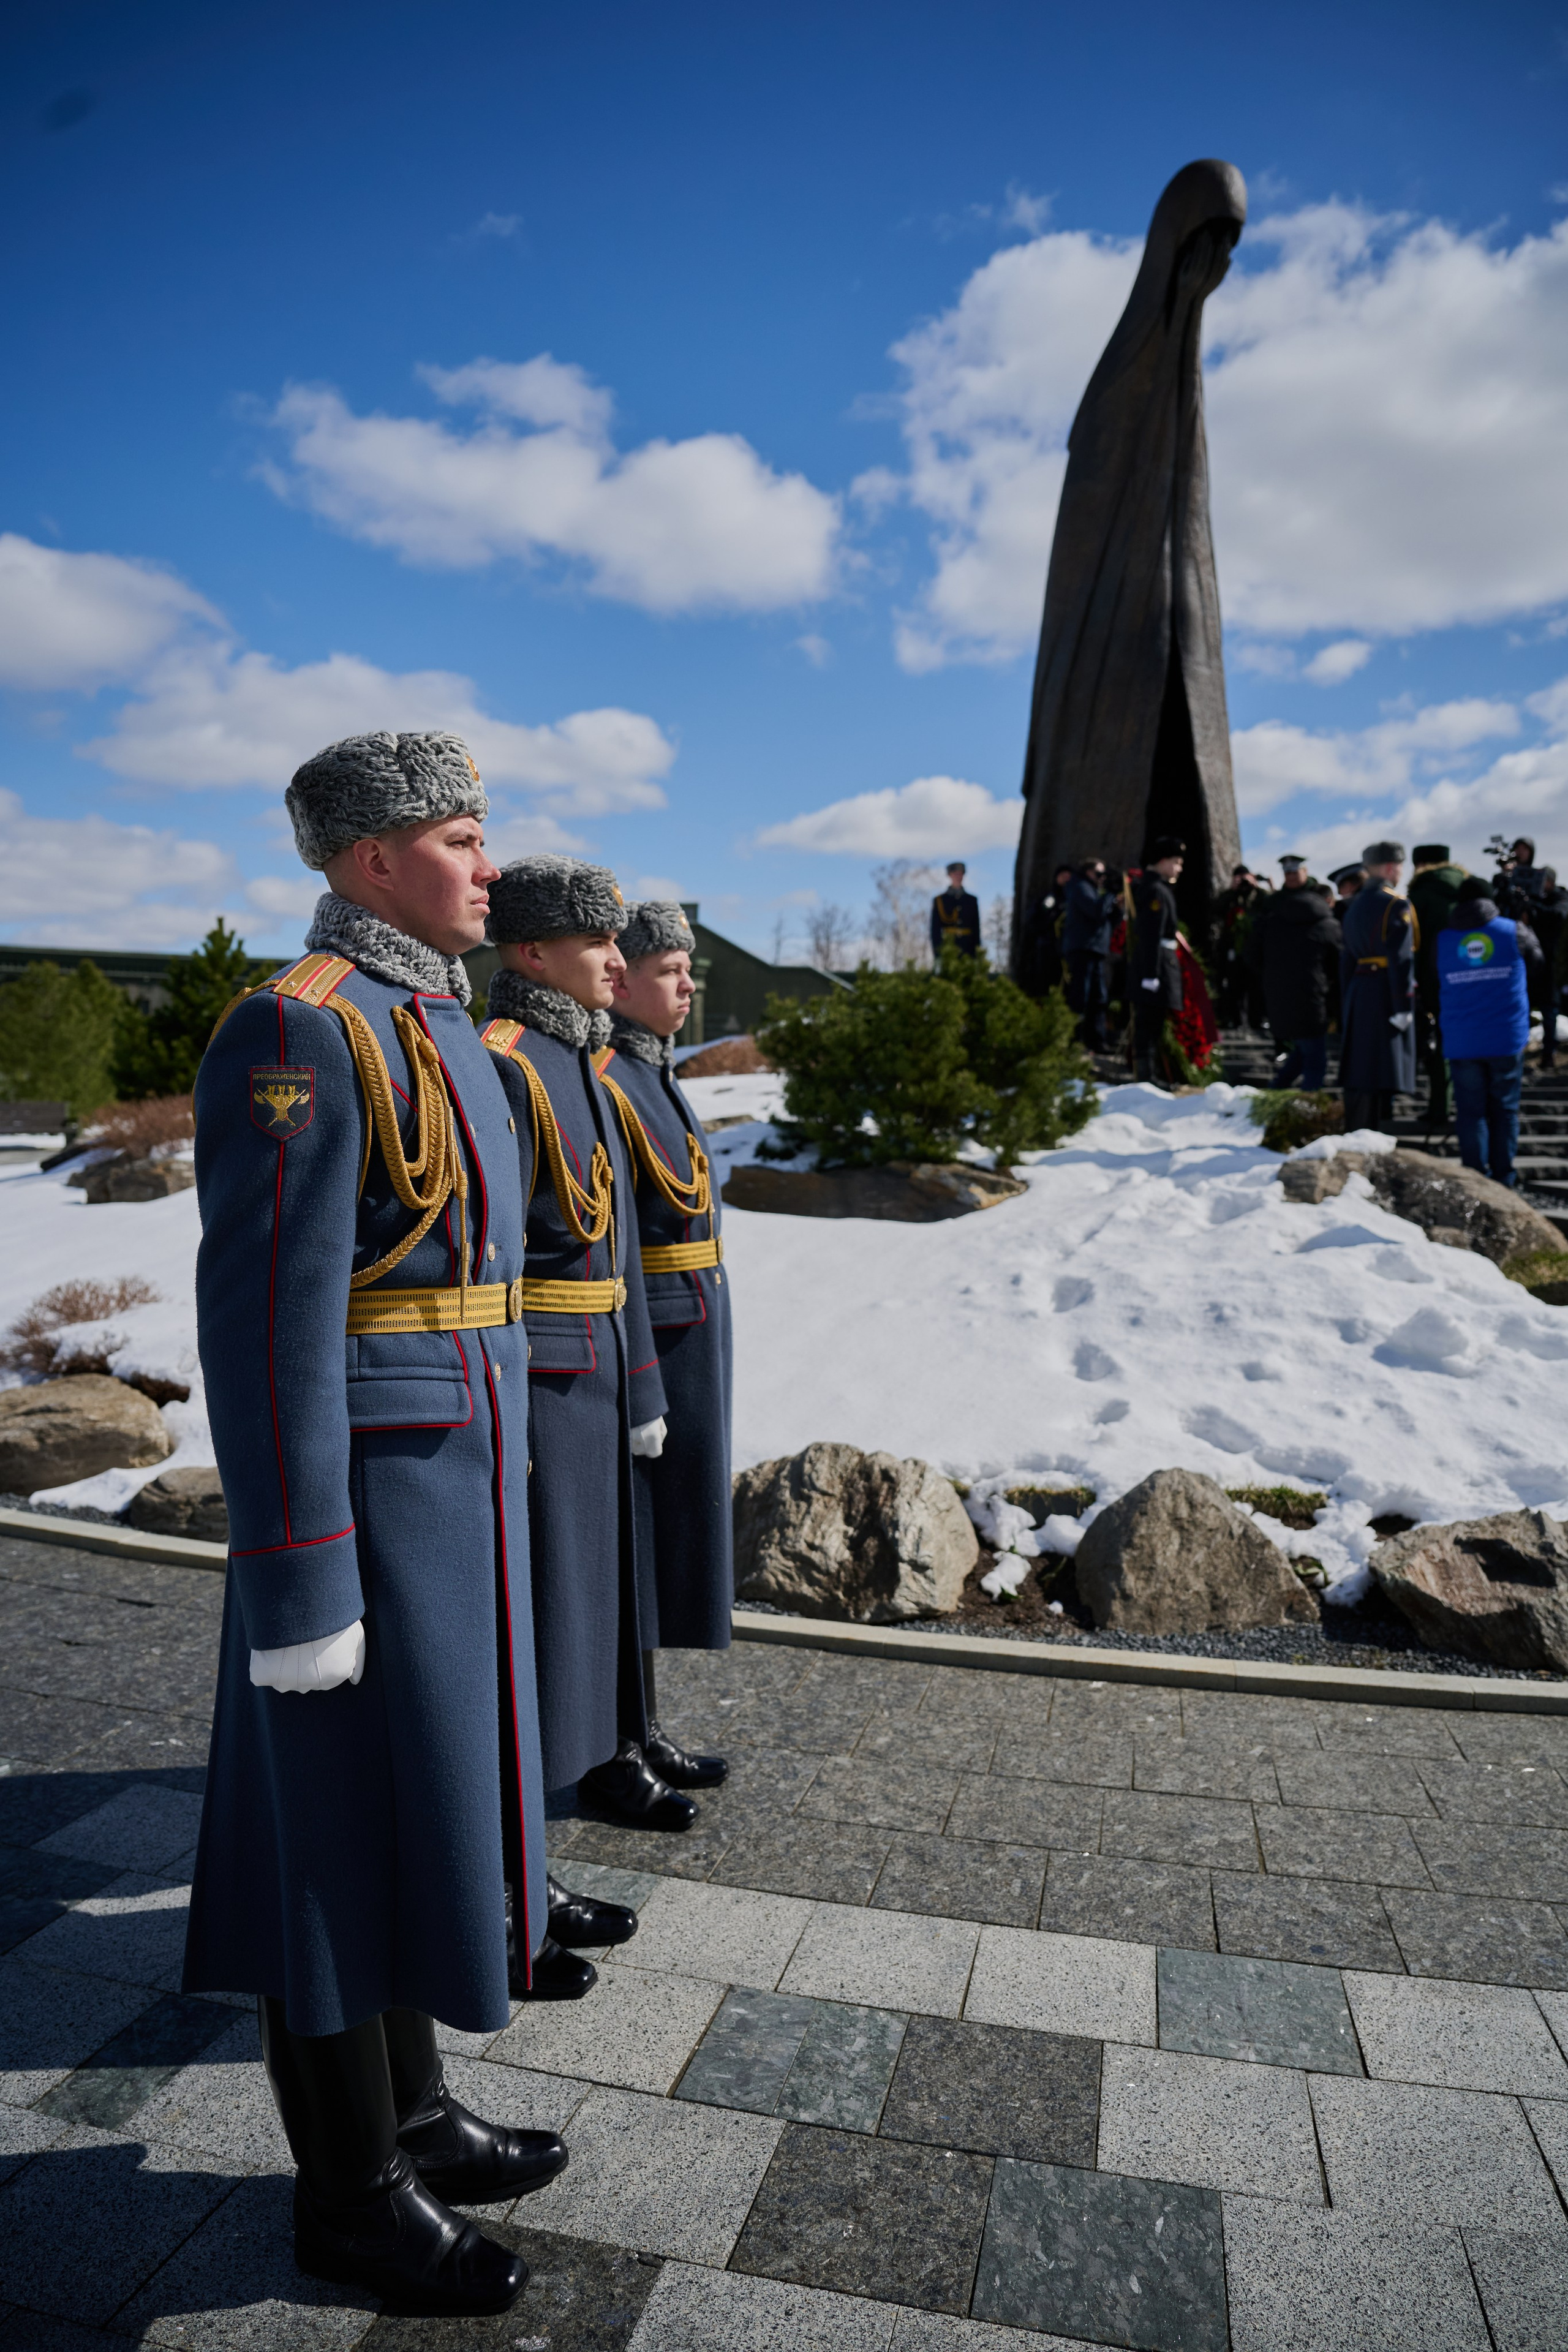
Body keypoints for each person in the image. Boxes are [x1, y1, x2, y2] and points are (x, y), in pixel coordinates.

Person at [183, 732, 567, 2317]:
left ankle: (408, 2113)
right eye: (466, 839)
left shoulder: (442, 1028)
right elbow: (268, 1321)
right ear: (371, 860)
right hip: (355, 1511)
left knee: (421, 1811)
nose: (491, 867)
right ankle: (348, 2196)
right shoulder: (300, 1027)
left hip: (450, 1488)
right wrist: (295, 1578)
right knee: (332, 1847)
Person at [479, 858, 698, 1875]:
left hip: (603, 1362)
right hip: (545, 1379)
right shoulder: (512, 1061)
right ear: (532, 955)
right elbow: (497, 1267)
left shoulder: (579, 1058)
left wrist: (642, 1382)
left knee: (598, 1598)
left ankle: (602, 1756)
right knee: (547, 1617)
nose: (620, 958)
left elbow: (617, 1252)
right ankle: (529, 1839)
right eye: (596, 944)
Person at [600, 902, 733, 1789]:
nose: (689, 986)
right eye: (672, 970)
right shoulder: (607, 1075)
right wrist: (643, 1375)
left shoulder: (654, 1068)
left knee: (662, 1551)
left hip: (690, 1331)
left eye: (691, 970)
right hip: (650, 1336)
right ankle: (616, 1744)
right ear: (625, 976)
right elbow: (609, 1243)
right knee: (631, 1552)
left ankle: (643, 1729)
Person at [1436, 884, 1542, 1187]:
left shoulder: (1443, 939)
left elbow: (1432, 980)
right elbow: (1538, 965)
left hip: (1462, 1039)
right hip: (1505, 1036)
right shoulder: (1514, 931)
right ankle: (1504, 1178)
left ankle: (1474, 1178)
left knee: (1470, 1112)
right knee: (1505, 1110)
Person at [1339, 840, 1417, 1133]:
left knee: (1362, 1070)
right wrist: (1403, 1004)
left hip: (1359, 990)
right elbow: (1401, 959)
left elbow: (1346, 959)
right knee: (1382, 1071)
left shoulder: (1353, 906)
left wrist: (1347, 1001)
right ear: (1390, 867)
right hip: (1386, 991)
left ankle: (1360, 1129)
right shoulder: (1395, 904)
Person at [1243, 855, 1341, 1090]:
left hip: (1283, 993)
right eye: (1287, 873)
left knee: (1303, 1050)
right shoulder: (1324, 920)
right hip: (1313, 993)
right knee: (1313, 1056)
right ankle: (1308, 1105)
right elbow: (1337, 962)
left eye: (1295, 871)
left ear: (1305, 872)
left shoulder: (1275, 912)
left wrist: (1272, 977)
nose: (1291, 876)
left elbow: (1252, 952)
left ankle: (1277, 1089)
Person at [1407, 844, 1472, 1131]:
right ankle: (1470, 1108)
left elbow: (1412, 947)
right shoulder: (1469, 890)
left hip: (1433, 982)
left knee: (1437, 1046)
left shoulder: (1419, 896)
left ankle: (1439, 1107)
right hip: (1471, 979)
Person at [1129, 836, 1185, 1080]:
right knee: (1149, 1022)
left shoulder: (1157, 888)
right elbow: (1152, 935)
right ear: (1163, 861)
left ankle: (1151, 1074)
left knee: (1153, 1022)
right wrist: (1151, 974)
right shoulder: (1156, 890)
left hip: (1160, 963)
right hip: (1157, 966)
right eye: (1176, 862)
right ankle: (1146, 1076)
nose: (1179, 868)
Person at [1062, 858, 1114, 1049]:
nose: (1102, 879)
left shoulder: (1093, 890)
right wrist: (1110, 894)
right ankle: (1075, 1041)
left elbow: (1107, 920)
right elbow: (1095, 911)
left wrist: (1116, 905)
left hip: (1096, 950)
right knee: (1080, 996)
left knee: (1098, 997)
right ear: (1089, 872)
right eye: (1099, 874)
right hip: (1082, 950)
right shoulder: (1080, 887)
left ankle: (1097, 1040)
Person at [1017, 861, 1074, 996]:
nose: (1066, 880)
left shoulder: (1075, 899)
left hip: (1069, 948)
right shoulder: (1049, 898)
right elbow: (1036, 918)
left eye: (1068, 877)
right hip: (1048, 947)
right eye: (1063, 876)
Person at [930, 861, 982, 960]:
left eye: (960, 874)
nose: (958, 876)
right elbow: (935, 930)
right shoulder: (940, 900)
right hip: (948, 948)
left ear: (963, 876)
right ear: (950, 875)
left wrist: (977, 953)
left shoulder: (972, 900)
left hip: (968, 949)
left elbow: (976, 928)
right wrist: (938, 953)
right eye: (955, 874)